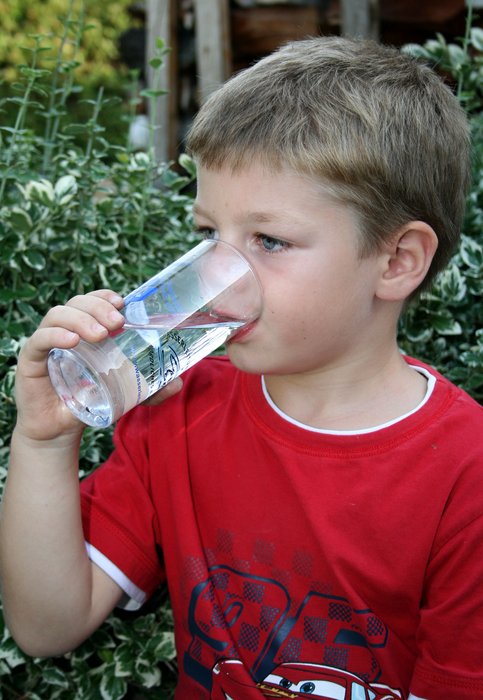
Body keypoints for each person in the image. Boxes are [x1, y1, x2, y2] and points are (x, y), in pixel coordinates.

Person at [1, 36, 482, 700]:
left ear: (396, 261)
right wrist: (44, 440)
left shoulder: (466, 474)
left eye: (269, 241)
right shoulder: (178, 412)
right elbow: (45, 624)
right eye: (208, 235)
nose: (219, 280)